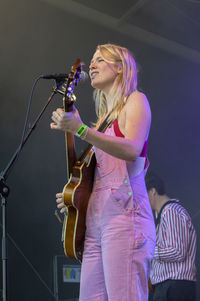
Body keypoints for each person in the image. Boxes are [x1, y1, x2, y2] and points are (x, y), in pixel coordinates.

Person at [51, 43, 156, 301]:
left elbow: (131, 149)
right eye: (92, 60)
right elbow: (95, 176)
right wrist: (76, 198)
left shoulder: (136, 101)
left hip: (125, 216)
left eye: (100, 60)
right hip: (96, 221)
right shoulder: (104, 119)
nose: (92, 65)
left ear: (120, 68)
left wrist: (81, 130)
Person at [145, 172, 197, 301]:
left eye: (143, 195)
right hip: (166, 286)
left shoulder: (171, 211)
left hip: (175, 286)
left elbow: (177, 252)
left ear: (152, 191)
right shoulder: (161, 216)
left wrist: (147, 250)